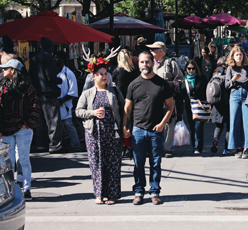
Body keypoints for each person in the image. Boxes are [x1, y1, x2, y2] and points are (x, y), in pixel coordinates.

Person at [123, 51, 174, 205]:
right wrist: (125, 127)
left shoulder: (162, 83)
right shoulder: (133, 84)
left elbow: (170, 107)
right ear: (138, 65)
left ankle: (154, 192)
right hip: (138, 130)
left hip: (155, 131)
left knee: (155, 164)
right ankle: (139, 192)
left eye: (147, 62)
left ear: (152, 63)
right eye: (142, 62)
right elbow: (127, 108)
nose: (145, 65)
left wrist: (162, 124)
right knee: (138, 164)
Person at [76, 56, 125, 205]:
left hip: (113, 132)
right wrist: (92, 113)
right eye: (101, 74)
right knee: (96, 164)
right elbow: (78, 111)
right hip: (94, 133)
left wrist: (124, 127)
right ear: (94, 76)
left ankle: (112, 195)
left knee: (113, 163)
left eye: (105, 74)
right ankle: (99, 195)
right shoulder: (87, 93)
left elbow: (124, 110)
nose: (104, 76)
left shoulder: (114, 91)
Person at [0, 58, 41, 201]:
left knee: (23, 159)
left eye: (5, 68)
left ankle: (27, 188)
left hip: (22, 129)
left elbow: (35, 106)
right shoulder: (3, 87)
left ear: (13, 71)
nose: (3, 70)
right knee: (9, 161)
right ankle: (11, 189)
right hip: (7, 129)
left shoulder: (27, 87)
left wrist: (28, 123)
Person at [147, 41, 183, 158]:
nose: (151, 51)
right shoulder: (150, 64)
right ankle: (156, 146)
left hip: (168, 99)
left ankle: (168, 148)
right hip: (153, 99)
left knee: (168, 124)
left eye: (153, 49)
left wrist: (170, 85)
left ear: (161, 51)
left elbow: (181, 80)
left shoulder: (170, 63)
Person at [29, 37, 64, 153]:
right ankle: (55, 144)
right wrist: (59, 80)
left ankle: (41, 143)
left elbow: (31, 76)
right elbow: (51, 76)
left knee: (40, 120)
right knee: (53, 120)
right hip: (48, 93)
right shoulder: (47, 57)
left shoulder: (34, 58)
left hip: (37, 92)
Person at [225, 46, 248, 159]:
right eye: (237, 54)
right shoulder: (230, 68)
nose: (239, 56)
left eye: (241, 54)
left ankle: (246, 148)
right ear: (233, 56)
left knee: (247, 123)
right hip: (234, 96)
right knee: (235, 122)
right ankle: (238, 147)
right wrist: (233, 79)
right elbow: (226, 85)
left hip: (246, 95)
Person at [53, 51, 81, 152]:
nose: (54, 60)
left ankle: (76, 146)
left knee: (68, 125)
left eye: (57, 58)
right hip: (55, 103)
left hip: (65, 104)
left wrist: (63, 100)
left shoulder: (69, 73)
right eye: (54, 58)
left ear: (62, 59)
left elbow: (73, 91)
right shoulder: (54, 73)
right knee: (56, 126)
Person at [183, 60, 209, 154]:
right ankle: (195, 146)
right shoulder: (184, 80)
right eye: (189, 68)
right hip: (189, 106)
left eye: (193, 68)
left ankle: (198, 148)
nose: (191, 70)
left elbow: (207, 91)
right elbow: (182, 94)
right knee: (192, 127)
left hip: (199, 106)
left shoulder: (201, 78)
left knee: (198, 127)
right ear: (186, 69)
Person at [210, 57, 231, 154]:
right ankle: (226, 148)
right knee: (229, 127)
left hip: (217, 104)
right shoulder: (228, 74)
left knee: (218, 125)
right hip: (227, 104)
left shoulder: (214, 75)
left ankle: (215, 138)